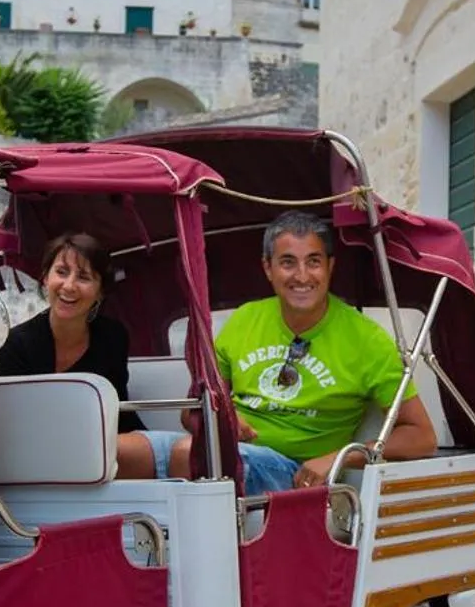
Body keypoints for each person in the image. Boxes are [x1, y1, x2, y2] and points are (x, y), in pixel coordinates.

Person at [167, 210, 436, 494]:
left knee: (188, 455)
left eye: (314, 262)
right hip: (219, 451)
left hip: (292, 470)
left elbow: (421, 436)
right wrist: (226, 422)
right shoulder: (244, 319)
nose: (302, 275)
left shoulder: (368, 340)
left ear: (330, 267)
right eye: (287, 263)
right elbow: (190, 412)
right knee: (120, 450)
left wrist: (338, 458)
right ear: (267, 268)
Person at [0, 231, 157, 477]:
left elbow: (118, 411)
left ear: (100, 291)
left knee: (182, 452)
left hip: (111, 446)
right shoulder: (15, 344)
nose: (69, 286)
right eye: (61, 272)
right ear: (45, 278)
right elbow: (14, 427)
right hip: (39, 457)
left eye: (83, 277)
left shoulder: (113, 336)